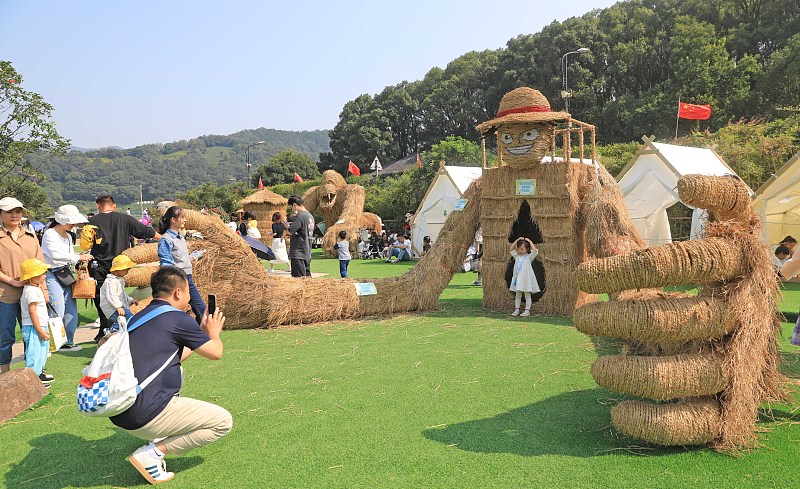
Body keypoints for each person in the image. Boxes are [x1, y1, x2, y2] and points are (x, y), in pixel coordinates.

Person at [110, 267, 232, 485]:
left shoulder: (139, 317)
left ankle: (155, 436)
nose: (188, 299)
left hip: (121, 411)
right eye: (187, 293)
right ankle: (152, 453)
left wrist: (200, 337)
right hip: (144, 415)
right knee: (222, 422)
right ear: (177, 293)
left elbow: (169, 358)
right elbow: (216, 353)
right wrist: (213, 334)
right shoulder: (178, 318)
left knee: (179, 371)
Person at [87, 194, 160, 341]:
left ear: (97, 205)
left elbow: (85, 246)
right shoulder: (125, 219)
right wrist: (165, 239)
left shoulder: (91, 222)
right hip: (120, 267)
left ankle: (105, 331)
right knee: (117, 295)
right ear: (114, 205)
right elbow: (145, 231)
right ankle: (116, 332)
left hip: (99, 267)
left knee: (103, 300)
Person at [0, 197, 44, 374]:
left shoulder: (31, 237)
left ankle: (33, 372)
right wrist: (12, 281)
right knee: (5, 336)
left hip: (32, 293)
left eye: (17, 211)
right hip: (6, 294)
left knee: (32, 333)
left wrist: (45, 290)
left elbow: (41, 265)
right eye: (9, 212)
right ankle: (4, 373)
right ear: (1, 214)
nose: (14, 215)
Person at [41, 205, 93, 352]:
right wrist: (78, 257)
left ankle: (68, 341)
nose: (74, 225)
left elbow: (69, 257)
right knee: (58, 308)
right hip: (51, 273)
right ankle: (53, 342)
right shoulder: (49, 234)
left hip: (66, 273)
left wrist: (79, 265)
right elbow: (54, 254)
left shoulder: (70, 236)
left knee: (71, 309)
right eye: (72, 222)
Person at [157, 206, 206, 324]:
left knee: (201, 310)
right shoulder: (166, 239)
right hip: (177, 280)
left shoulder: (180, 237)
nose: (185, 220)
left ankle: (202, 336)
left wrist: (195, 256)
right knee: (183, 311)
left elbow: (180, 260)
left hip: (187, 278)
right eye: (182, 217)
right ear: (173, 220)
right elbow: (166, 265)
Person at [19, 258, 53, 385]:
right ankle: (32, 377)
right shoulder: (31, 291)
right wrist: (39, 330)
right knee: (34, 352)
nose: (44, 275)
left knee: (42, 351)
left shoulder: (35, 288)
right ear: (32, 276)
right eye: (41, 273)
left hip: (39, 326)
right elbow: (32, 312)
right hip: (34, 327)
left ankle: (38, 373)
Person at [100, 255, 139, 334]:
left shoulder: (119, 280)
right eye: (126, 269)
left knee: (125, 321)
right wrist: (118, 307)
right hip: (112, 308)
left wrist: (130, 300)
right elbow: (111, 296)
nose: (128, 270)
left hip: (118, 306)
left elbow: (122, 293)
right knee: (128, 318)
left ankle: (118, 334)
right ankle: (110, 331)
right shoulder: (110, 281)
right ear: (117, 270)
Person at [509, 238, 540, 317]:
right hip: (518, 280)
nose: (520, 251)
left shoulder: (529, 257)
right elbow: (511, 249)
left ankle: (527, 311)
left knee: (527, 295)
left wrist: (529, 241)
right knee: (518, 295)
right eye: (519, 249)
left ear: (527, 249)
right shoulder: (516, 256)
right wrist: (517, 240)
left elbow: (535, 250)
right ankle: (517, 310)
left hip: (526, 280)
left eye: (522, 249)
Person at [287, 195, 314, 277]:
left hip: (298, 254)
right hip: (306, 253)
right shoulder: (310, 216)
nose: (291, 210)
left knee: (298, 282)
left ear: (294, 205)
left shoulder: (300, 217)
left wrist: (287, 225)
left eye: (291, 207)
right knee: (307, 282)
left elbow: (290, 231)